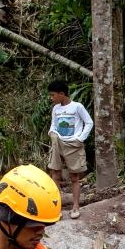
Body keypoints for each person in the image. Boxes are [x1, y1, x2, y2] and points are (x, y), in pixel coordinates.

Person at [47, 80, 94, 220]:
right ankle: (57, 208)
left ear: (62, 94)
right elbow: (54, 124)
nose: (51, 98)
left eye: (53, 95)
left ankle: (75, 206)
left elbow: (89, 122)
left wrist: (80, 138)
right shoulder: (56, 109)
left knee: (74, 177)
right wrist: (52, 133)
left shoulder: (77, 107)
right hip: (57, 144)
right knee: (55, 175)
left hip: (73, 145)